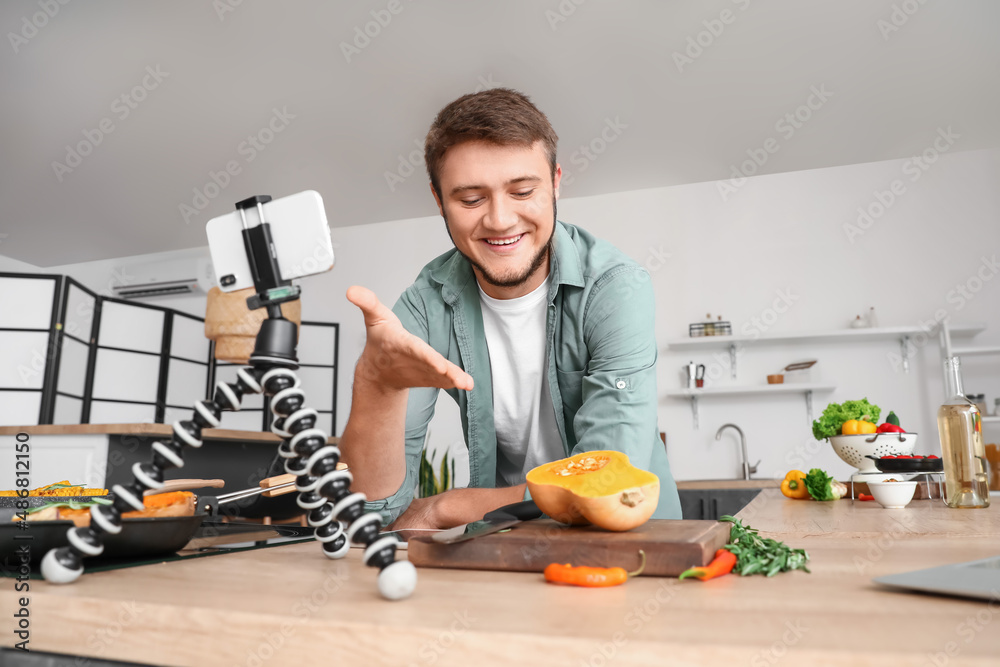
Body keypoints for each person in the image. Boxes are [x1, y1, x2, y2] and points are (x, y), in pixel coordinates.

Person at [339, 88, 681, 529]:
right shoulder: (424, 307)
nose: (500, 220)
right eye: (470, 200)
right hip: (507, 545)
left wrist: (449, 507)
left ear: (555, 182)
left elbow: (604, 484)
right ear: (438, 199)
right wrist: (375, 384)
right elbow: (371, 509)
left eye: (522, 191)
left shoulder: (615, 289)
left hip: (630, 547)